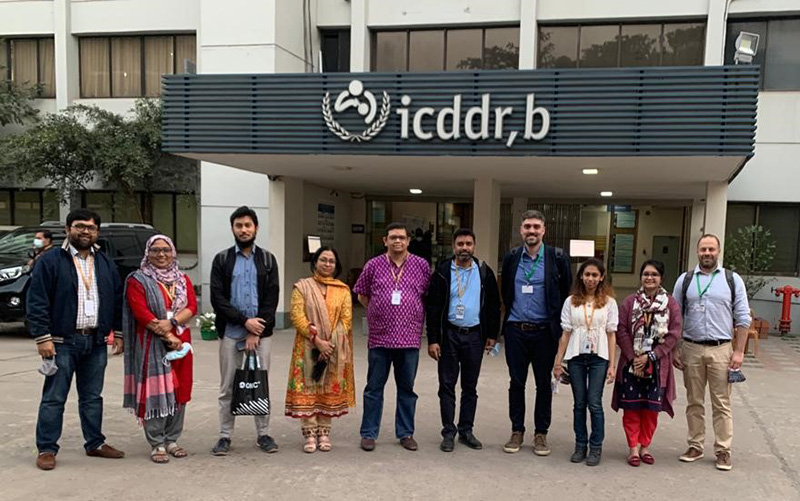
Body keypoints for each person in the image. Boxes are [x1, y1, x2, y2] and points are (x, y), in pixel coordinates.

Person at [26, 209, 125, 471]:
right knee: (54, 397)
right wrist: (42, 337)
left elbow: (116, 298)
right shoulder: (51, 261)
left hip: (95, 342)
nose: (85, 231)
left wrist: (119, 332)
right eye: (80, 226)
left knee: (92, 397)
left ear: (97, 232)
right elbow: (36, 300)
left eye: (91, 227)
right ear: (68, 228)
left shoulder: (104, 262)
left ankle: (94, 443)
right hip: (60, 341)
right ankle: (47, 448)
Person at [672, 234, 750, 471]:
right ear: (697, 251)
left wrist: (739, 351)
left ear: (718, 252)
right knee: (694, 401)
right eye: (703, 249)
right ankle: (695, 445)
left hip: (721, 349)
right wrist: (676, 348)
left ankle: (723, 450)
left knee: (721, 402)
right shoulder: (685, 280)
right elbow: (675, 317)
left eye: (711, 249)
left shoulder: (731, 280)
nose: (707, 253)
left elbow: (743, 318)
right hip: (692, 348)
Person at [354, 222, 431, 452]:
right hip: (379, 338)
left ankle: (406, 432)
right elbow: (361, 295)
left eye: (402, 237)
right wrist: (379, 311)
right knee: (374, 388)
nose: (397, 241)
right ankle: (369, 433)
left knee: (407, 388)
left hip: (409, 339)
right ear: (385, 241)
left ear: (408, 241)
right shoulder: (373, 265)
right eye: (393, 237)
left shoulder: (421, 265)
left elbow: (427, 295)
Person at [210, 206, 280, 456]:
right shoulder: (222, 259)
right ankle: (225, 436)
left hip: (261, 335)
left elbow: (272, 299)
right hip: (231, 332)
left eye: (248, 225)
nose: (243, 229)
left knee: (259, 383)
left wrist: (256, 330)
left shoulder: (268, 260)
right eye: (239, 225)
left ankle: (263, 434)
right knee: (228, 386)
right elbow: (217, 298)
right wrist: (243, 322)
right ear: (233, 228)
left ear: (256, 228)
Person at [500, 209, 572, 455]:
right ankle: (516, 430)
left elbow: (565, 295)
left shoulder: (557, 257)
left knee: (544, 384)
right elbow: (505, 292)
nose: (531, 231)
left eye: (536, 227)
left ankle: (541, 433)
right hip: (516, 330)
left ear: (544, 230)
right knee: (516, 383)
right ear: (521, 230)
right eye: (527, 227)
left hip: (544, 332)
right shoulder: (511, 257)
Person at [123, 235, 197, 463]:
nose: (161, 254)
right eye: (155, 250)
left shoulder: (183, 279)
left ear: (173, 252)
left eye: (166, 250)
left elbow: (192, 306)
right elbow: (141, 312)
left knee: (180, 390)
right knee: (156, 390)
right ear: (148, 253)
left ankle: (172, 439)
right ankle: (157, 443)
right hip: (151, 344)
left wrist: (173, 325)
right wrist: (166, 334)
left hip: (181, 343)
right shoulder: (138, 280)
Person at [426, 228, 500, 452]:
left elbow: (494, 306)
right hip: (449, 336)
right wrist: (433, 339)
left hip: (475, 336)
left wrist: (492, 336)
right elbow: (433, 307)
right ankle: (448, 431)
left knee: (470, 386)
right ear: (453, 246)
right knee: (447, 385)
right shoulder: (442, 272)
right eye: (460, 244)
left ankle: (466, 430)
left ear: (474, 246)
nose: (464, 248)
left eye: (468, 244)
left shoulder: (484, 272)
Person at [611, 260, 682, 467]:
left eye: (654, 274)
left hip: (658, 364)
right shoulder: (630, 302)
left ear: (661, 278)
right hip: (632, 363)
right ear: (641, 277)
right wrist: (634, 357)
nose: (649, 278)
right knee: (631, 408)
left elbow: (674, 333)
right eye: (646, 274)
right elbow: (621, 329)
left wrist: (652, 356)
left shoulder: (670, 304)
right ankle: (633, 447)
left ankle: (645, 446)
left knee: (651, 409)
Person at [285, 246, 356, 453]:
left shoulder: (342, 289)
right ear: (315, 262)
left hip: (333, 348)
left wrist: (329, 344)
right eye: (323, 260)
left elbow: (346, 320)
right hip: (307, 346)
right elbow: (297, 316)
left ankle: (324, 432)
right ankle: (309, 434)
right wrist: (317, 340)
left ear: (336, 265)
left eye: (331, 261)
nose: (327, 264)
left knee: (327, 389)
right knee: (308, 389)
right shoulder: (302, 286)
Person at [553, 258, 617, 466]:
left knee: (594, 403)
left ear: (601, 278)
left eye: (595, 275)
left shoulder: (609, 302)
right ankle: (580, 445)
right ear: (581, 276)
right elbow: (565, 333)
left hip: (599, 357)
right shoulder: (571, 301)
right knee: (579, 403)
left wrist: (612, 365)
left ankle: (596, 446)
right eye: (587, 274)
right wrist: (558, 362)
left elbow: (611, 335)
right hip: (577, 357)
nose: (590, 279)